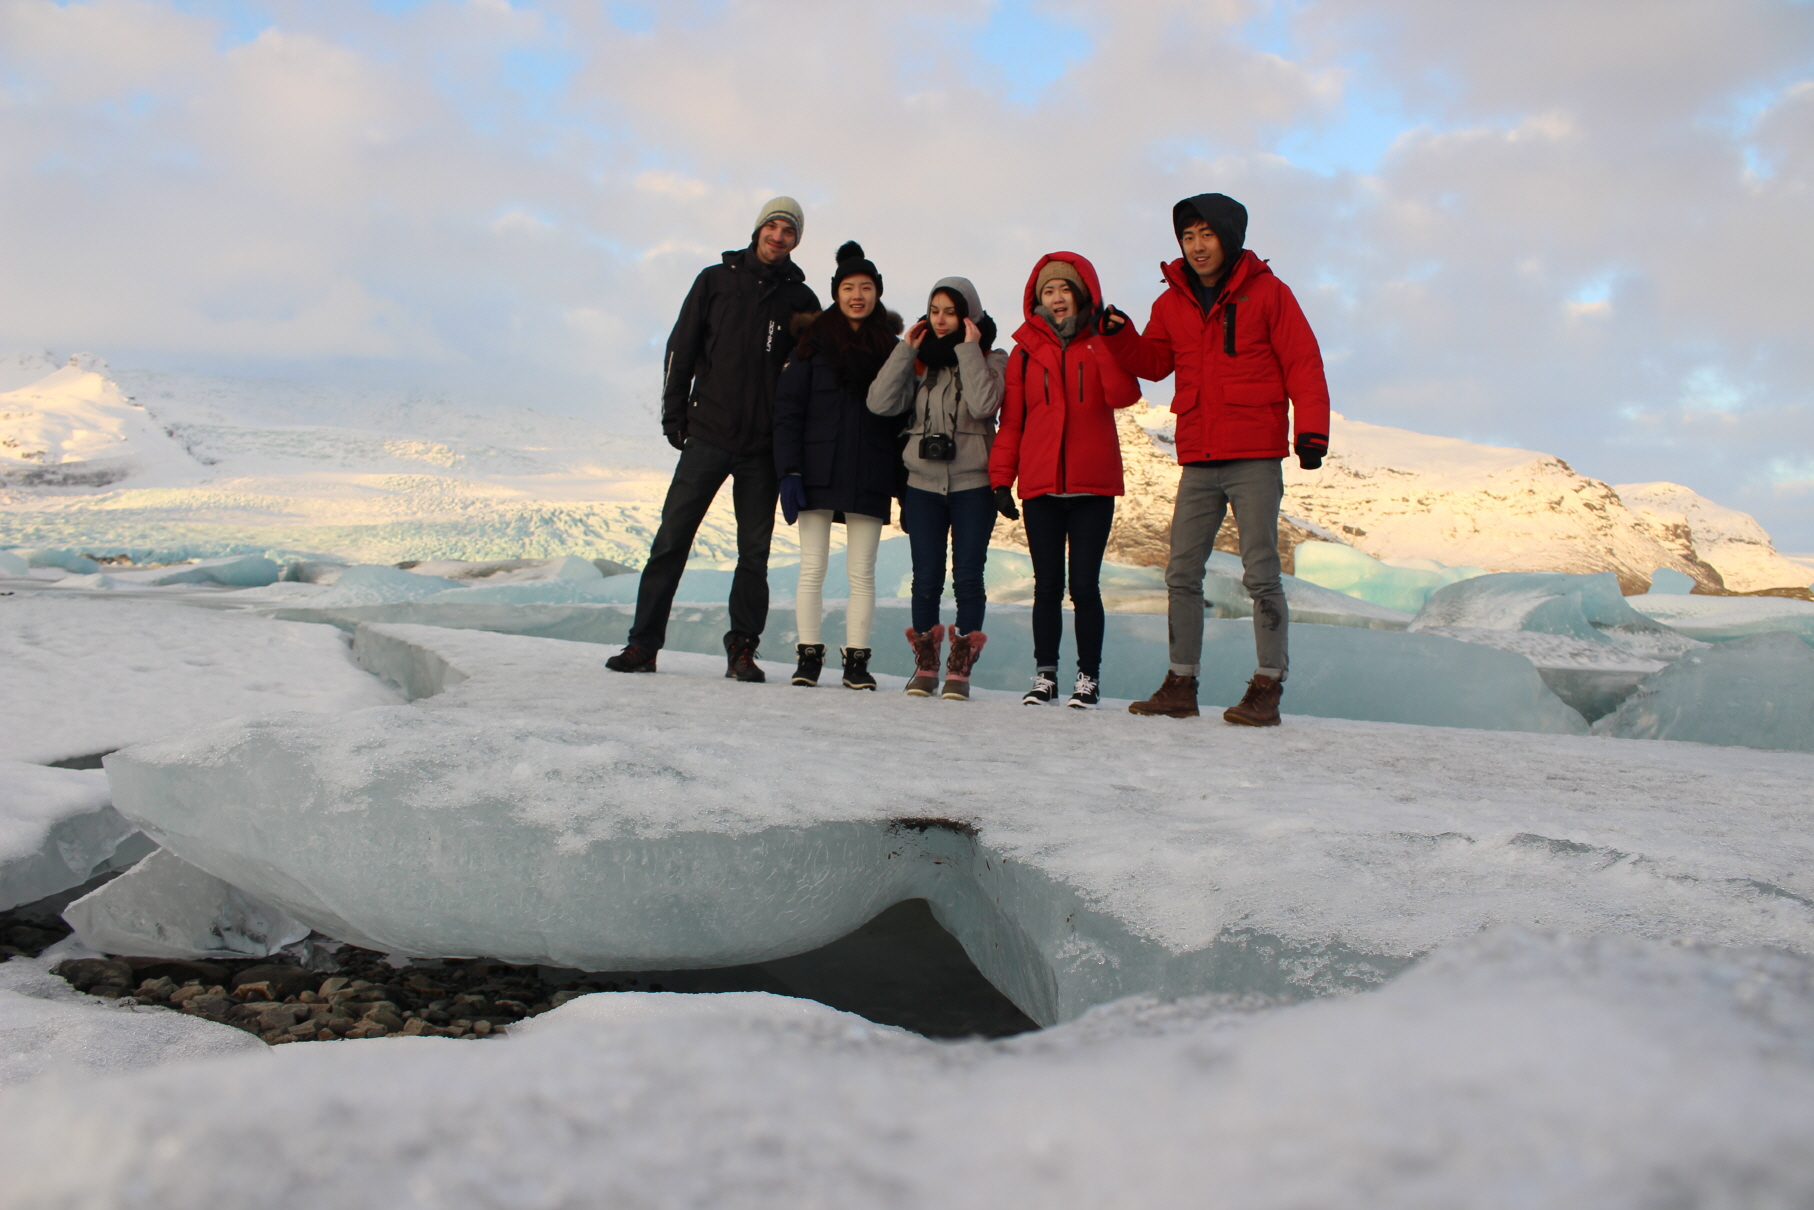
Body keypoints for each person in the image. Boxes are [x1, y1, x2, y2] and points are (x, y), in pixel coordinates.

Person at [1107, 192, 1331, 726]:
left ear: (1229, 238)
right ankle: (1180, 682)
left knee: (1260, 573)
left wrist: (1313, 432)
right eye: (1188, 236)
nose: (1197, 246)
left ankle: (1268, 686)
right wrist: (1120, 338)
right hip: (1199, 454)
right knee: (1181, 571)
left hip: (1254, 452)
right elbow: (1156, 363)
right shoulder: (1171, 303)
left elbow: (1303, 359)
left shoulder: (1270, 294)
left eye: (1206, 234)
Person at [606, 197, 821, 681]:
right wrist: (673, 415)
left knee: (755, 553)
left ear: (796, 240)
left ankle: (742, 650)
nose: (779, 236)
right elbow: (680, 347)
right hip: (708, 432)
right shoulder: (715, 281)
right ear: (758, 229)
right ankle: (643, 644)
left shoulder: (801, 301)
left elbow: (811, 374)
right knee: (671, 541)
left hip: (762, 447)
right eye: (773, 226)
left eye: (789, 231)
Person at [988, 252, 1141, 709]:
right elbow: (1012, 421)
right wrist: (1001, 478)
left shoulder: (1101, 343)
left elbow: (1124, 394)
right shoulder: (1024, 354)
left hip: (1093, 487)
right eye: (1048, 291)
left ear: (1082, 296)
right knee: (1047, 586)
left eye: (1065, 290)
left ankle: (1088, 678)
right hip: (1042, 488)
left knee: (1086, 587)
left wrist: (1105, 342)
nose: (1056, 298)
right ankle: (1045, 675)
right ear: (1037, 298)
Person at [773, 241, 906, 690]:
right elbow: (788, 410)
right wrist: (789, 471)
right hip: (815, 469)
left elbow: (902, 420)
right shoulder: (811, 345)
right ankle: (808, 657)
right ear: (835, 292)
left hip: (870, 469)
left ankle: (856, 663)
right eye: (848, 287)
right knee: (812, 567)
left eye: (866, 287)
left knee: (861, 572)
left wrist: (902, 485)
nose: (857, 295)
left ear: (877, 293)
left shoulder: (893, 349)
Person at [867, 277, 1005, 700]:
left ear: (969, 316)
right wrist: (905, 350)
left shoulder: (993, 357)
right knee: (925, 578)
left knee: (968, 577)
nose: (940, 320)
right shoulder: (919, 361)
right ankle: (926, 666)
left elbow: (985, 405)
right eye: (934, 311)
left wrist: (968, 348)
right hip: (922, 484)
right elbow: (879, 403)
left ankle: (959, 671)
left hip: (973, 484)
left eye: (950, 311)